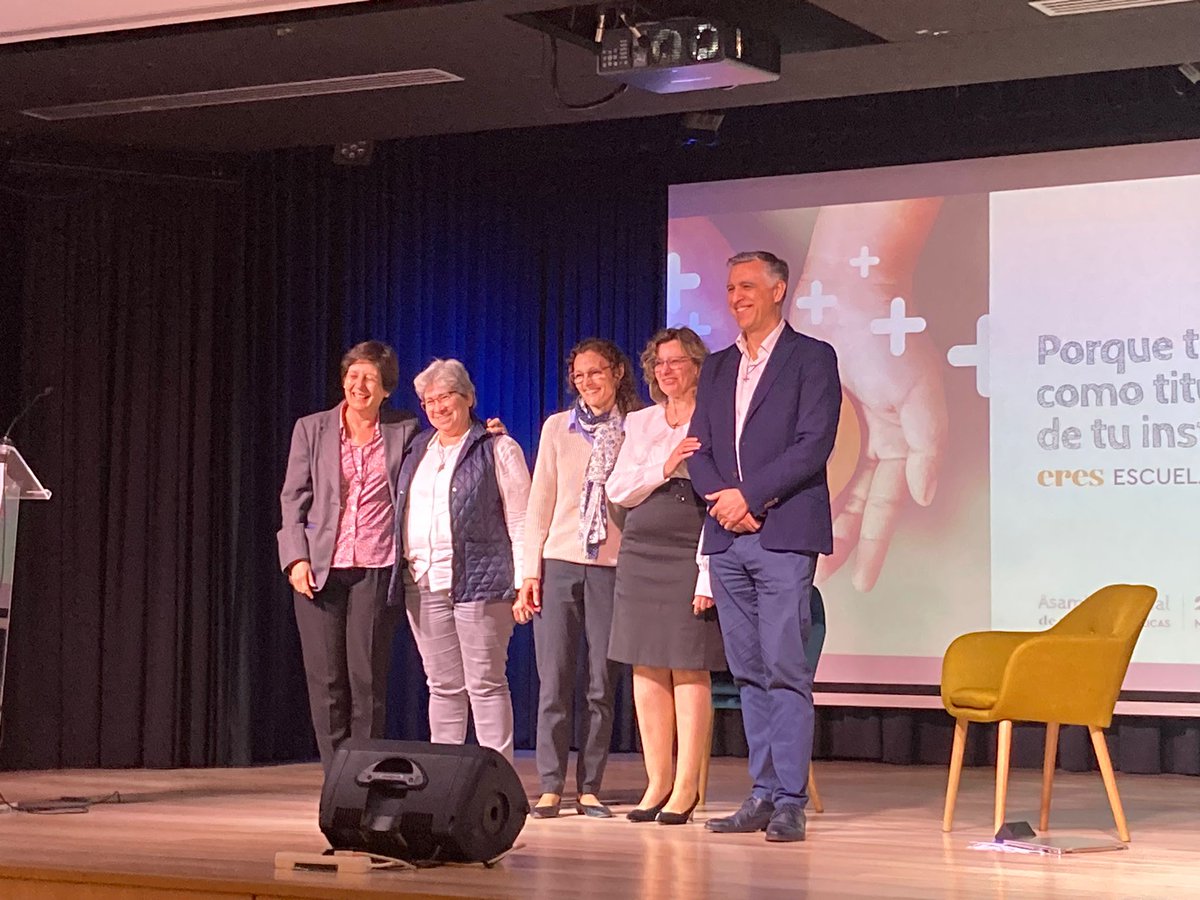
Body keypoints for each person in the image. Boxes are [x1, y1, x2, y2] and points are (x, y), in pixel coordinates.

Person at [688, 251, 841, 843]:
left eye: (748, 286)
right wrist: (722, 500)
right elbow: (696, 446)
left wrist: (750, 497)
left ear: (779, 290)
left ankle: (789, 801)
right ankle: (760, 793)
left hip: (782, 534)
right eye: (730, 287)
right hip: (727, 539)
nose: (736, 296)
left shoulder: (811, 358)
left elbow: (813, 444)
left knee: (785, 669)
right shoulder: (721, 366)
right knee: (749, 672)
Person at [512, 338, 641, 819]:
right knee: (554, 679)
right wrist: (529, 573)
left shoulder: (637, 427)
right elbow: (539, 502)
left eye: (596, 372)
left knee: (600, 683)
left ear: (617, 373)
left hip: (611, 566)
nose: (588, 382)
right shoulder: (556, 428)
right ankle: (550, 785)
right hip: (560, 561)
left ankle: (591, 786)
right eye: (580, 375)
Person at [277, 340, 416, 773]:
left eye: (370, 378)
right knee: (327, 682)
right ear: (343, 380)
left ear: (386, 389)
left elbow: (449, 442)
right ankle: (336, 778)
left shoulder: (406, 429)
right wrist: (295, 557)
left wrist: (486, 435)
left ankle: (365, 774)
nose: (359, 385)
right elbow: (293, 498)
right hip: (320, 568)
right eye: (353, 376)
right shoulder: (311, 428)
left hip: (376, 566)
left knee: (366, 680)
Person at [607, 326, 726, 826]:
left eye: (677, 361)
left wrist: (707, 575)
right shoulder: (641, 422)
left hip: (690, 544)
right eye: (659, 363)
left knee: (686, 664)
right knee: (645, 664)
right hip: (640, 547)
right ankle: (656, 781)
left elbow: (718, 496)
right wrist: (665, 463)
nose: (667, 370)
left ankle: (686, 787)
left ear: (698, 366)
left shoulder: (715, 418)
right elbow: (620, 487)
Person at [394, 359, 530, 762]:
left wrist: (524, 581)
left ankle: (496, 780)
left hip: (482, 584)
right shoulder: (417, 448)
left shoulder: (498, 447)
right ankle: (444, 778)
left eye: (446, 396)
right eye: (428, 400)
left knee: (485, 684)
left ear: (468, 398)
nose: (437, 407)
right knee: (442, 686)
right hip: (423, 582)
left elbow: (521, 518)